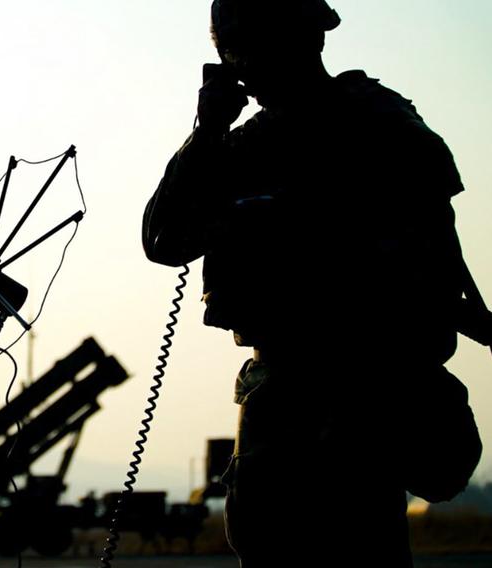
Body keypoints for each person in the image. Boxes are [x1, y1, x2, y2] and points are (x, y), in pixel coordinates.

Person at [142, 1, 482, 566]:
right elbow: (164, 240)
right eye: (235, 52)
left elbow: (439, 257)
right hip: (282, 393)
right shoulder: (243, 147)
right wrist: (207, 132)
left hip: (365, 391)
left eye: (253, 48)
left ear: (307, 42)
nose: (245, 65)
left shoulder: (379, 122)